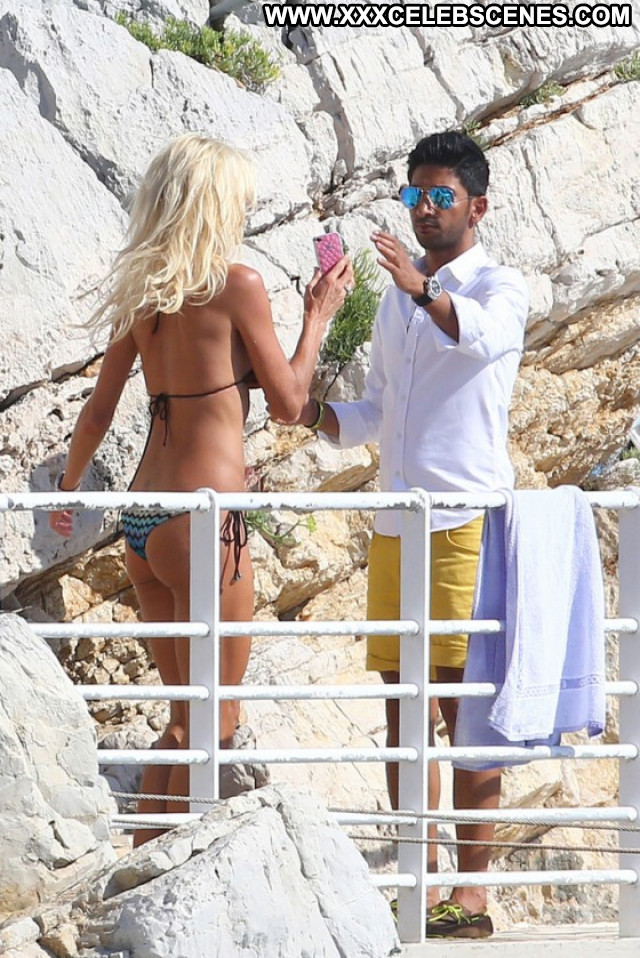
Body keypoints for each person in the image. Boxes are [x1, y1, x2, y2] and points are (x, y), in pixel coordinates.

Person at [50, 133, 353, 844]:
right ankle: (177, 871)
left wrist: (66, 490)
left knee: (184, 715)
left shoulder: (144, 292)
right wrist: (319, 316)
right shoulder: (237, 284)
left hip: (143, 520)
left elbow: (97, 412)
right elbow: (289, 403)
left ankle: (140, 867)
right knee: (215, 718)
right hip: (205, 519)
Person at [294, 131, 529, 937]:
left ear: (477, 206)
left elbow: (483, 338)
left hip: (463, 520)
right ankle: (415, 883)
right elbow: (376, 410)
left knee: (465, 710)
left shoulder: (499, 285)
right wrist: (312, 414)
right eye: (414, 196)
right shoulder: (399, 300)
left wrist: (420, 287)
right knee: (403, 708)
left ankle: (472, 896)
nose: (424, 210)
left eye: (440, 197)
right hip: (397, 523)